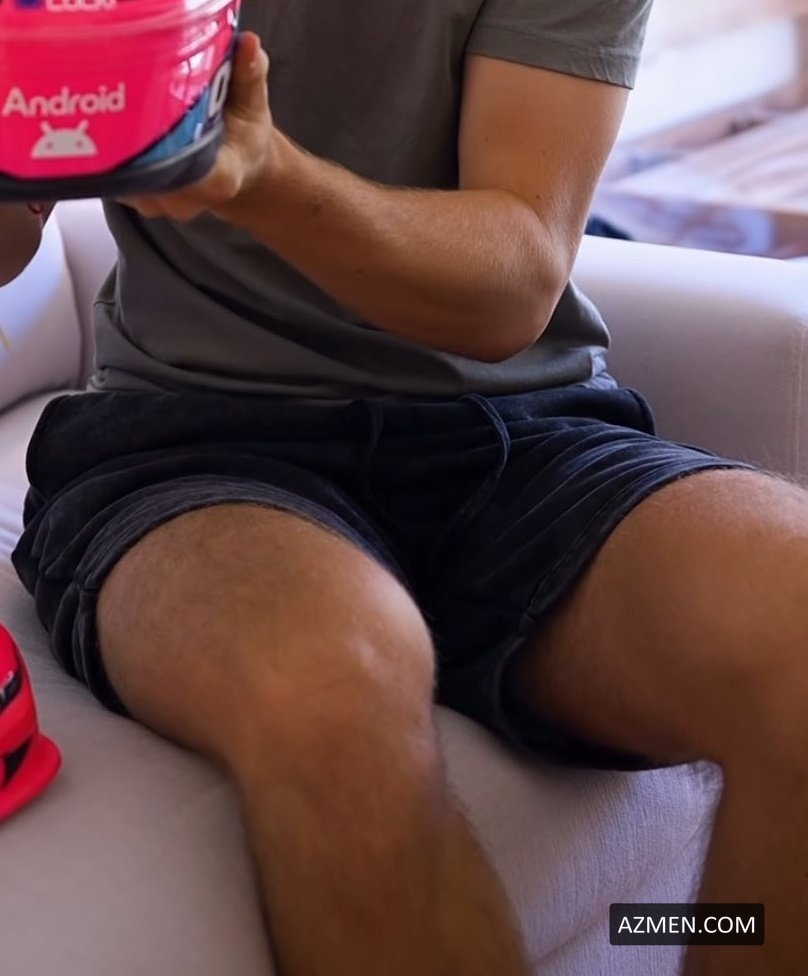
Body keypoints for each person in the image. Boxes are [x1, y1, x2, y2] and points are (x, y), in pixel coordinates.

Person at [2, 2, 803, 973]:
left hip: (520, 432)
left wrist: (266, 179)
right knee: (330, 681)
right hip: (185, 443)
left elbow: (514, 282)